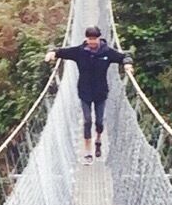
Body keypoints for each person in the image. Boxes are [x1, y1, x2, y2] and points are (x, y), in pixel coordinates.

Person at [52, 25, 131, 157]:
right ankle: (88, 150)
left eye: (94, 38)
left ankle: (98, 140)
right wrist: (52, 53)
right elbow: (61, 52)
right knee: (87, 120)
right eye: (90, 38)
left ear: (99, 38)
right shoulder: (79, 52)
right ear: (86, 39)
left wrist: (127, 63)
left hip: (101, 92)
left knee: (99, 121)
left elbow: (124, 56)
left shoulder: (107, 52)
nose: (92, 41)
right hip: (85, 92)